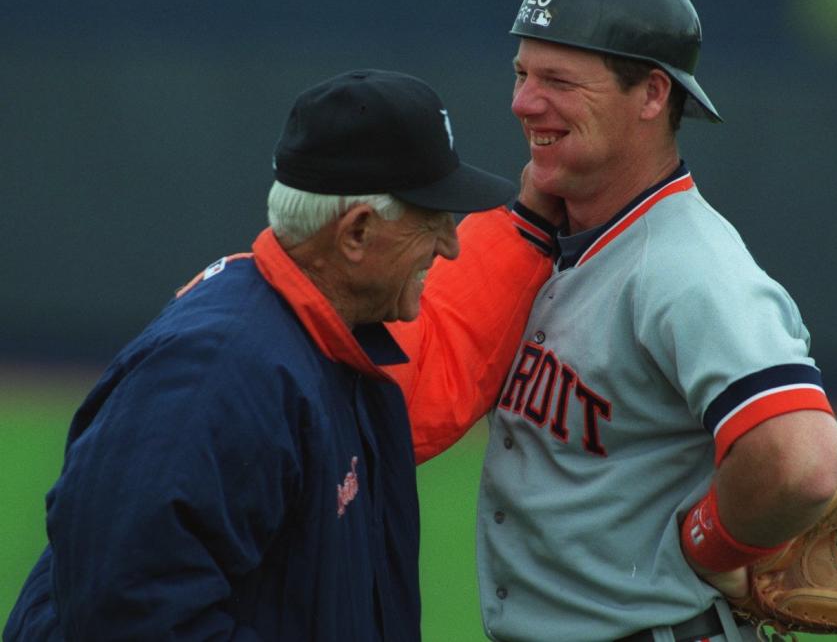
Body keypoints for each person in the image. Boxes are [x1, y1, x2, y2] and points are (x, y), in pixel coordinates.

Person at [3, 69, 558, 642]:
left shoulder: (328, 345)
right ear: (356, 234)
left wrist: (533, 225)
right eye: (432, 222)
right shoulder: (217, 374)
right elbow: (127, 619)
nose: (450, 244)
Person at [434, 0, 837, 640]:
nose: (524, 103)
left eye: (559, 82)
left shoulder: (688, 267)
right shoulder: (546, 238)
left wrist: (710, 543)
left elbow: (800, 459)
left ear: (653, 93)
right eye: (522, 74)